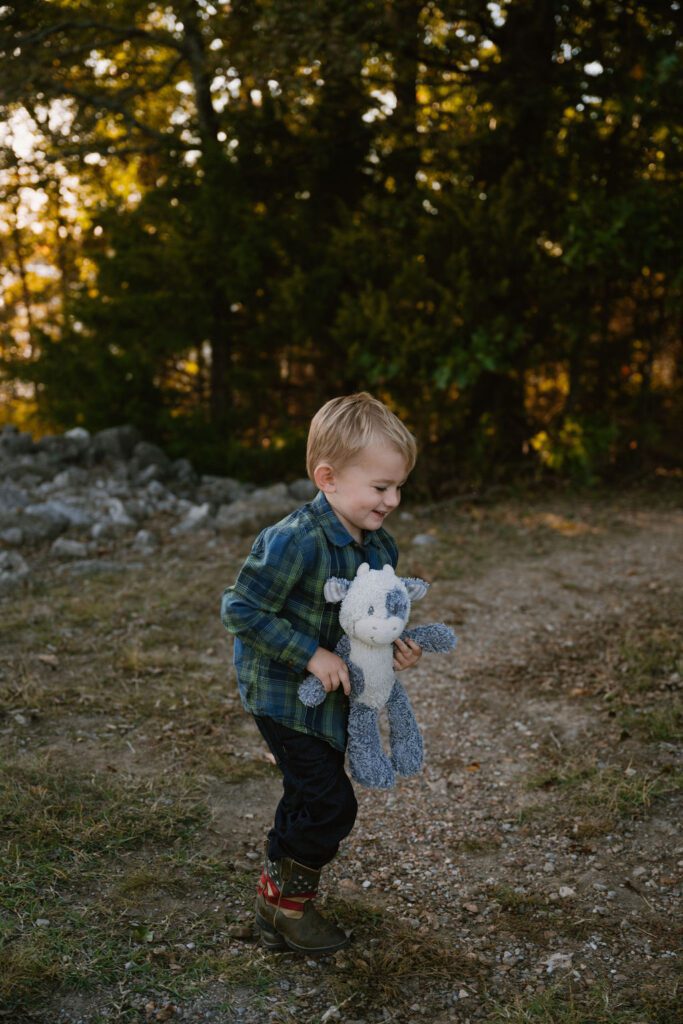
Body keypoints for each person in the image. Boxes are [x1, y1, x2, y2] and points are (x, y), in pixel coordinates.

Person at [220, 392, 422, 954]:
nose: (393, 500)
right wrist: (311, 654)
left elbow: (371, 621)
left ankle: (274, 899)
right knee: (331, 803)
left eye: (398, 487)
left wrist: (398, 647)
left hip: (332, 697)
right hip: (284, 692)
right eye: (381, 488)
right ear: (328, 477)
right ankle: (288, 908)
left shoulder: (381, 546)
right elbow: (240, 609)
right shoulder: (294, 539)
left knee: (308, 794)